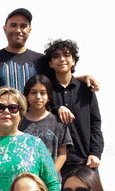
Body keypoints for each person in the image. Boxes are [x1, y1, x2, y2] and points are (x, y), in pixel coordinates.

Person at [0, 8, 99, 93]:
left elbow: (59, 82)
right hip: (2, 125)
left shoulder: (41, 60)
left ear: (30, 30)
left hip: (36, 125)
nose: (18, 30)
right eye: (13, 25)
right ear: (5, 29)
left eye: (23, 26)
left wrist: (82, 78)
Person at [44, 39, 103, 178]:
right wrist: (56, 109)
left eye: (66, 55)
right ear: (50, 63)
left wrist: (95, 153)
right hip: (56, 161)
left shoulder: (86, 89)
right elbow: (38, 113)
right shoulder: (45, 91)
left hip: (84, 160)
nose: (62, 59)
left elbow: (95, 124)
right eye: (56, 56)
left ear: (74, 60)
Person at [19, 75, 72, 172]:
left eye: (43, 93)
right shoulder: (18, 122)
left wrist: (50, 175)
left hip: (50, 181)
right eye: (33, 93)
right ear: (26, 96)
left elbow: (62, 154)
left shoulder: (58, 122)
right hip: (24, 180)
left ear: (49, 97)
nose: (38, 97)